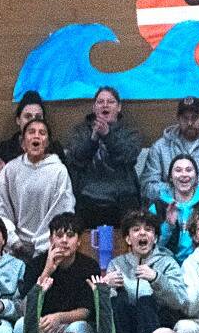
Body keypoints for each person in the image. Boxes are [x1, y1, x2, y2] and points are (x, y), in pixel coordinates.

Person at [104, 211, 187, 333]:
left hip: (157, 319)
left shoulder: (167, 262)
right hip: (127, 322)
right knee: (118, 303)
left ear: (155, 238)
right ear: (128, 239)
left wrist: (157, 278)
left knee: (145, 301)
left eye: (148, 230)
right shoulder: (117, 264)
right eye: (136, 230)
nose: (142, 233)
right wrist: (105, 287)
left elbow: (180, 301)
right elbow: (104, 309)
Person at [15, 212, 98, 333]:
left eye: (70, 235)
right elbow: (26, 308)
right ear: (51, 240)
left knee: (79, 327)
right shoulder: (35, 264)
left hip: (71, 325)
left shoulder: (89, 266)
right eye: (59, 235)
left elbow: (86, 311)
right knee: (21, 325)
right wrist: (47, 271)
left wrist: (59, 318)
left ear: (79, 241)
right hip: (43, 325)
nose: (64, 240)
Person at [62, 86, 146, 230]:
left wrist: (108, 135)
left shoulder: (130, 132)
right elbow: (76, 160)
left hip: (122, 200)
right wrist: (93, 139)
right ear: (94, 108)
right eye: (100, 102)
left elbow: (128, 156)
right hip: (88, 199)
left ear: (119, 107)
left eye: (110, 102)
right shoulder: (80, 131)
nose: (105, 105)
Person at [0, 118, 76, 258]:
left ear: (47, 142)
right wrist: (15, 243)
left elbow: (63, 211)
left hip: (48, 249)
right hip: (15, 249)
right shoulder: (10, 170)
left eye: (42, 133)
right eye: (31, 132)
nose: (36, 136)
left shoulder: (59, 171)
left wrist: (43, 247)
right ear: (23, 142)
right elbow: (0, 211)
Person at [149, 155, 199, 264]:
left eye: (189, 170)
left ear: (196, 176)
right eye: (178, 170)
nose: (184, 174)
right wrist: (168, 226)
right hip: (167, 268)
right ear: (170, 177)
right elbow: (150, 248)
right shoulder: (156, 208)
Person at [0, 92, 64, 171]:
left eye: (38, 117)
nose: (33, 121)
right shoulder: (5, 149)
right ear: (18, 120)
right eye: (28, 116)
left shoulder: (55, 149)